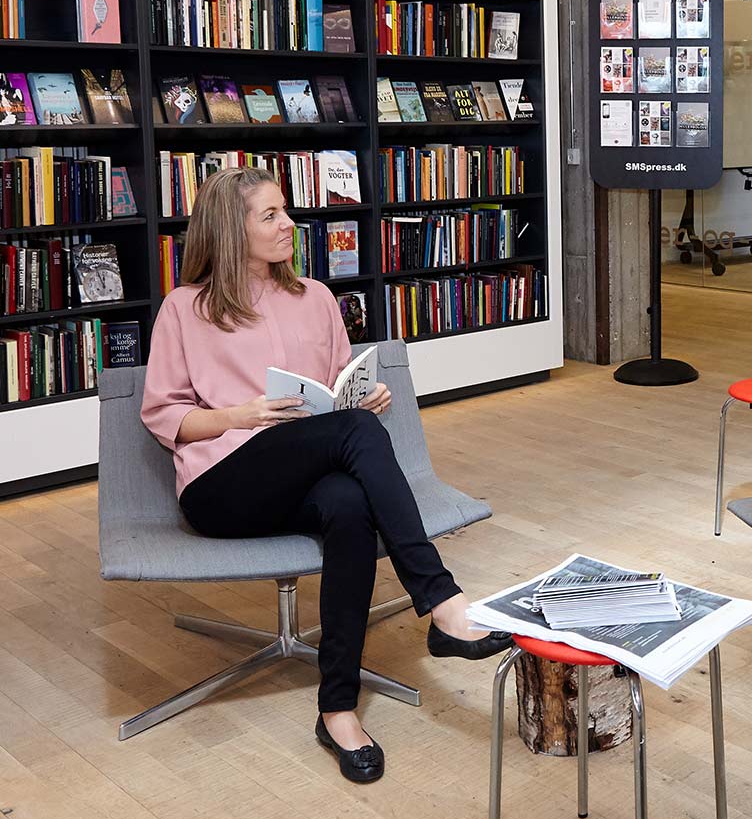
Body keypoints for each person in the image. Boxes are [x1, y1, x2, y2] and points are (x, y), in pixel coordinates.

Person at [141, 167, 511, 783]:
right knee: (353, 443)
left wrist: (363, 400)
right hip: (223, 487)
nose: (290, 224)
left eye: (286, 211)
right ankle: (440, 599)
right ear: (231, 230)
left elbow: (339, 387)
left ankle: (337, 709)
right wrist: (242, 414)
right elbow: (165, 417)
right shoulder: (187, 308)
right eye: (270, 215)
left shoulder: (315, 298)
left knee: (347, 504)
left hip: (307, 474)